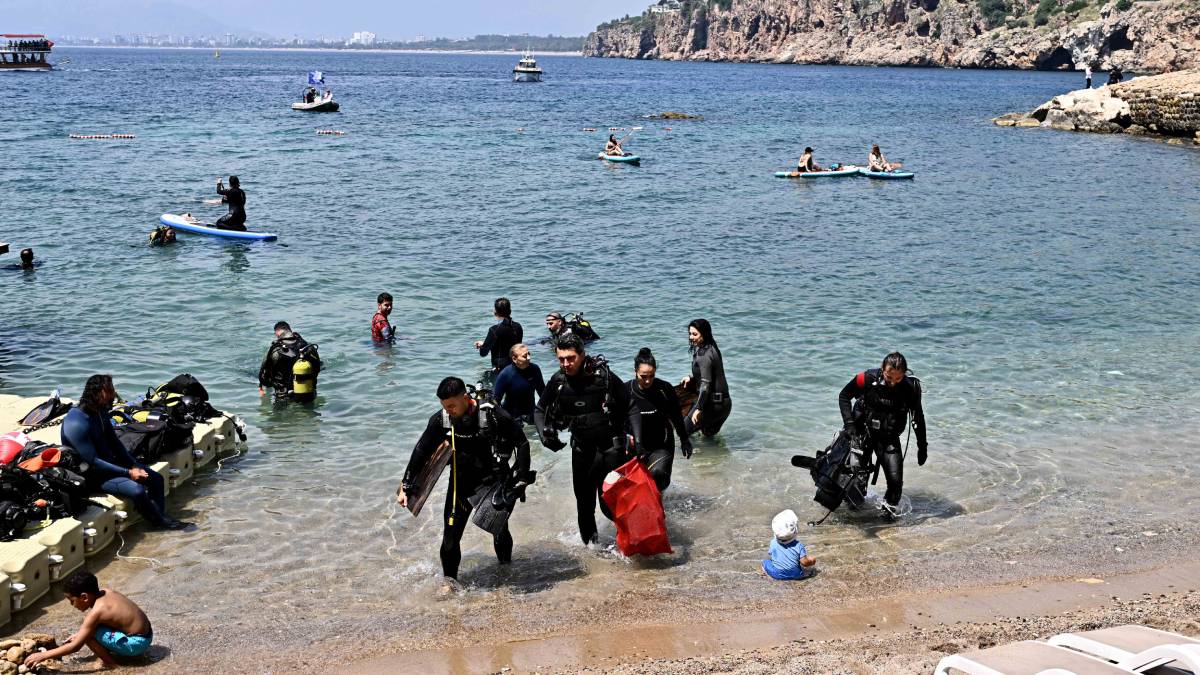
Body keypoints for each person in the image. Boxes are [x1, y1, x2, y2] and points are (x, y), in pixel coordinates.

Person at [397, 377, 531, 592]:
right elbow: (421, 450)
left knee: (499, 530)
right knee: (450, 537)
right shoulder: (442, 420)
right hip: (460, 483)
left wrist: (522, 478)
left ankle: (506, 569)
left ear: (465, 398)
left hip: (493, 483)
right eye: (444, 406)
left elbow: (521, 442)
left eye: (452, 405)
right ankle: (450, 584)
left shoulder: (491, 414)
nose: (448, 410)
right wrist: (407, 485)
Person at [534, 334, 636, 545]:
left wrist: (639, 440)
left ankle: (627, 545)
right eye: (561, 359)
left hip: (610, 449)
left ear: (582, 355)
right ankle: (593, 553)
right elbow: (539, 410)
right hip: (582, 450)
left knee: (610, 505)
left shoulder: (603, 377)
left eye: (570, 358)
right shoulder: (558, 381)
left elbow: (631, 405)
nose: (566, 364)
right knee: (584, 505)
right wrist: (545, 435)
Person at [60, 375, 189, 530]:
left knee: (156, 479)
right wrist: (129, 472)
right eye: (110, 391)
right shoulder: (76, 422)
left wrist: (133, 464)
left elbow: (115, 443)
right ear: (99, 393)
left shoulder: (100, 412)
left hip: (111, 464)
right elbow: (92, 461)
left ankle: (159, 518)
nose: (114, 394)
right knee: (137, 490)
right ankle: (160, 522)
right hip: (92, 475)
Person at [837, 351, 928, 519]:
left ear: (905, 374)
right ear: (882, 369)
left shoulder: (911, 388)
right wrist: (850, 425)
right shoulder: (866, 378)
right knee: (855, 486)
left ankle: (886, 524)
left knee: (895, 486)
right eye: (888, 377)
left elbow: (918, 417)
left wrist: (922, 446)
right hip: (862, 433)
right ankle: (853, 524)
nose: (892, 383)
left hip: (888, 438)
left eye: (898, 379)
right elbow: (844, 396)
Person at [23, 570, 154, 670]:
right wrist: (80, 634)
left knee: (88, 634)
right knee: (88, 630)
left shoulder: (97, 612)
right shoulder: (106, 592)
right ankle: (113, 651)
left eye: (72, 601)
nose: (72, 605)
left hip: (137, 644)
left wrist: (42, 656)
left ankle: (111, 664)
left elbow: (75, 647)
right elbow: (117, 619)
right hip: (147, 634)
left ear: (84, 597)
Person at [625, 347, 692, 493]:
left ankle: (659, 509)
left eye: (652, 375)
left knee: (658, 477)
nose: (648, 380)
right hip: (635, 446)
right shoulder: (626, 390)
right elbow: (617, 420)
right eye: (643, 376)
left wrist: (685, 440)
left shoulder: (664, 389)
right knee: (634, 487)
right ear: (635, 371)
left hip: (661, 444)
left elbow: (677, 417)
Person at [680, 319, 731, 437]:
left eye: (695, 334)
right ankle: (715, 456)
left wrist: (699, 408)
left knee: (683, 432)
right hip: (725, 406)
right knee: (708, 437)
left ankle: (692, 455)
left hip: (712, 406)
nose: (691, 337)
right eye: (690, 334)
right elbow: (710, 374)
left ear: (704, 334)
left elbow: (705, 385)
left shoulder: (703, 354)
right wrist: (692, 378)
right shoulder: (713, 348)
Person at [258, 321, 322, 402]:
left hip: (283, 398)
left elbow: (264, 379)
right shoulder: (308, 348)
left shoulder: (275, 351)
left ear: (277, 334)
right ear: (290, 330)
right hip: (307, 396)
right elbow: (317, 369)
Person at [491, 343, 545, 424]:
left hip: (530, 417)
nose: (529, 358)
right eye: (525, 356)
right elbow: (496, 401)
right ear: (514, 358)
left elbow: (543, 393)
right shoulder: (506, 374)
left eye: (529, 354)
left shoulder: (535, 369)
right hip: (512, 419)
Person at [761, 510, 816, 580]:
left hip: (776, 574)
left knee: (764, 562)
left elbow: (771, 554)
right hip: (795, 574)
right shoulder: (799, 546)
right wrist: (811, 560)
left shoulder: (773, 542)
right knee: (808, 570)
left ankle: (766, 575)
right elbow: (804, 563)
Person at [474, 297, 523, 375]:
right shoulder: (518, 326)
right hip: (518, 367)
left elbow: (483, 353)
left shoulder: (494, 330)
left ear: (495, 312)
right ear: (510, 311)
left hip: (501, 370)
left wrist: (483, 345)